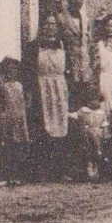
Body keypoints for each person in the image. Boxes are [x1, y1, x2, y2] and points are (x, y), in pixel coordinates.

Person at [29, 16, 72, 180]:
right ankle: (42, 170)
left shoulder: (63, 45)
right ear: (42, 26)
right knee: (43, 126)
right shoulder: (34, 47)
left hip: (60, 87)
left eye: (53, 24)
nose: (50, 27)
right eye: (47, 23)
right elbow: (28, 71)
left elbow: (70, 68)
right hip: (42, 87)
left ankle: (60, 170)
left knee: (61, 126)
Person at [0, 57, 31, 185]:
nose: (13, 72)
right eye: (10, 70)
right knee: (7, 146)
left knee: (19, 146)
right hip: (7, 120)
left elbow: (25, 103)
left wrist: (27, 101)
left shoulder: (19, 86)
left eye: (15, 70)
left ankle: (17, 174)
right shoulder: (2, 87)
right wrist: (0, 115)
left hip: (19, 120)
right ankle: (7, 175)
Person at [54, 0, 97, 107]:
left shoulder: (85, 19)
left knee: (84, 100)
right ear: (69, 0)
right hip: (69, 65)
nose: (78, 2)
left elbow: (89, 42)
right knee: (70, 100)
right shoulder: (61, 18)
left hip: (84, 67)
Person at [69, 88, 108, 183]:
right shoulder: (83, 111)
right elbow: (73, 116)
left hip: (98, 135)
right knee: (87, 151)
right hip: (86, 135)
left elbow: (104, 124)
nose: (95, 102)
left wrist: (105, 133)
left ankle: (96, 170)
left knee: (98, 152)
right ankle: (88, 170)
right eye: (92, 100)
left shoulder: (102, 113)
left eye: (97, 100)